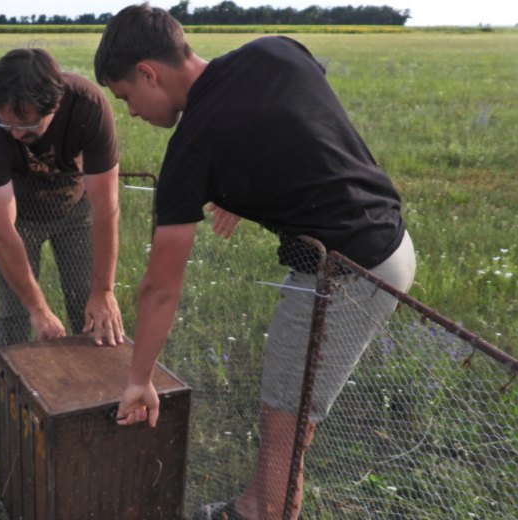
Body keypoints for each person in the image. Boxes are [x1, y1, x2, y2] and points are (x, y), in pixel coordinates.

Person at [94, 4, 417, 519]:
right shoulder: (275, 50)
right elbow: (299, 116)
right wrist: (248, 179)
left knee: (283, 429)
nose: (130, 112)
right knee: (287, 414)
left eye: (127, 96)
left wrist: (139, 378)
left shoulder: (190, 152)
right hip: (391, 243)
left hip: (344, 275)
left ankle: (265, 511)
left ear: (148, 73)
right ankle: (250, 507)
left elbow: (160, 287)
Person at [0, 48, 125, 347]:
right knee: (14, 311)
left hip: (76, 209)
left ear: (54, 105)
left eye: (26, 125)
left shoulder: (88, 105)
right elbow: (0, 230)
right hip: (20, 218)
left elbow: (106, 208)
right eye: (8, 125)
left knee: (90, 305)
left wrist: (104, 290)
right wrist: (38, 309)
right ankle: (11, 388)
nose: (15, 135)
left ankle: (95, 387)